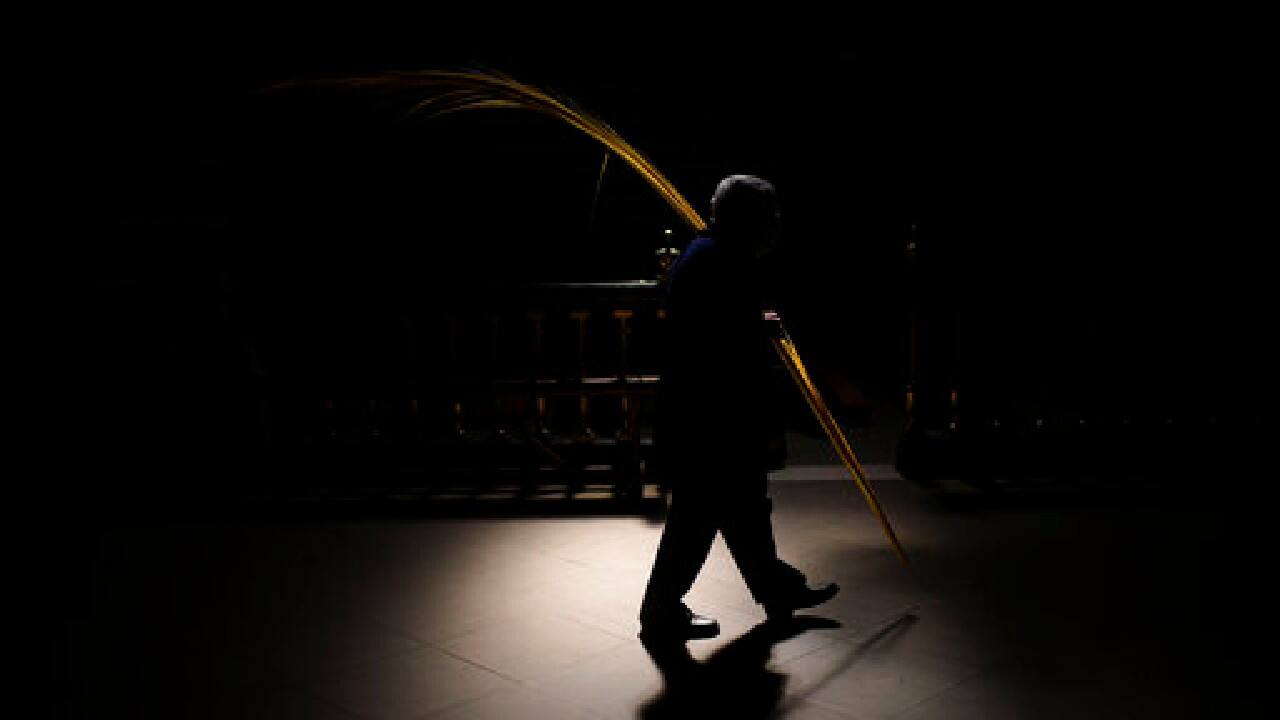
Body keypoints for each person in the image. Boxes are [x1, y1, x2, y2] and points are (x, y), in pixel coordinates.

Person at [639, 174, 838, 640]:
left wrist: (755, 321)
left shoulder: (712, 257)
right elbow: (722, 353)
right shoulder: (716, 263)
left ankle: (777, 589)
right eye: (769, 219)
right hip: (713, 421)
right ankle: (661, 610)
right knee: (699, 518)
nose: (775, 228)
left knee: (742, 510)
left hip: (708, 418)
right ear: (749, 220)